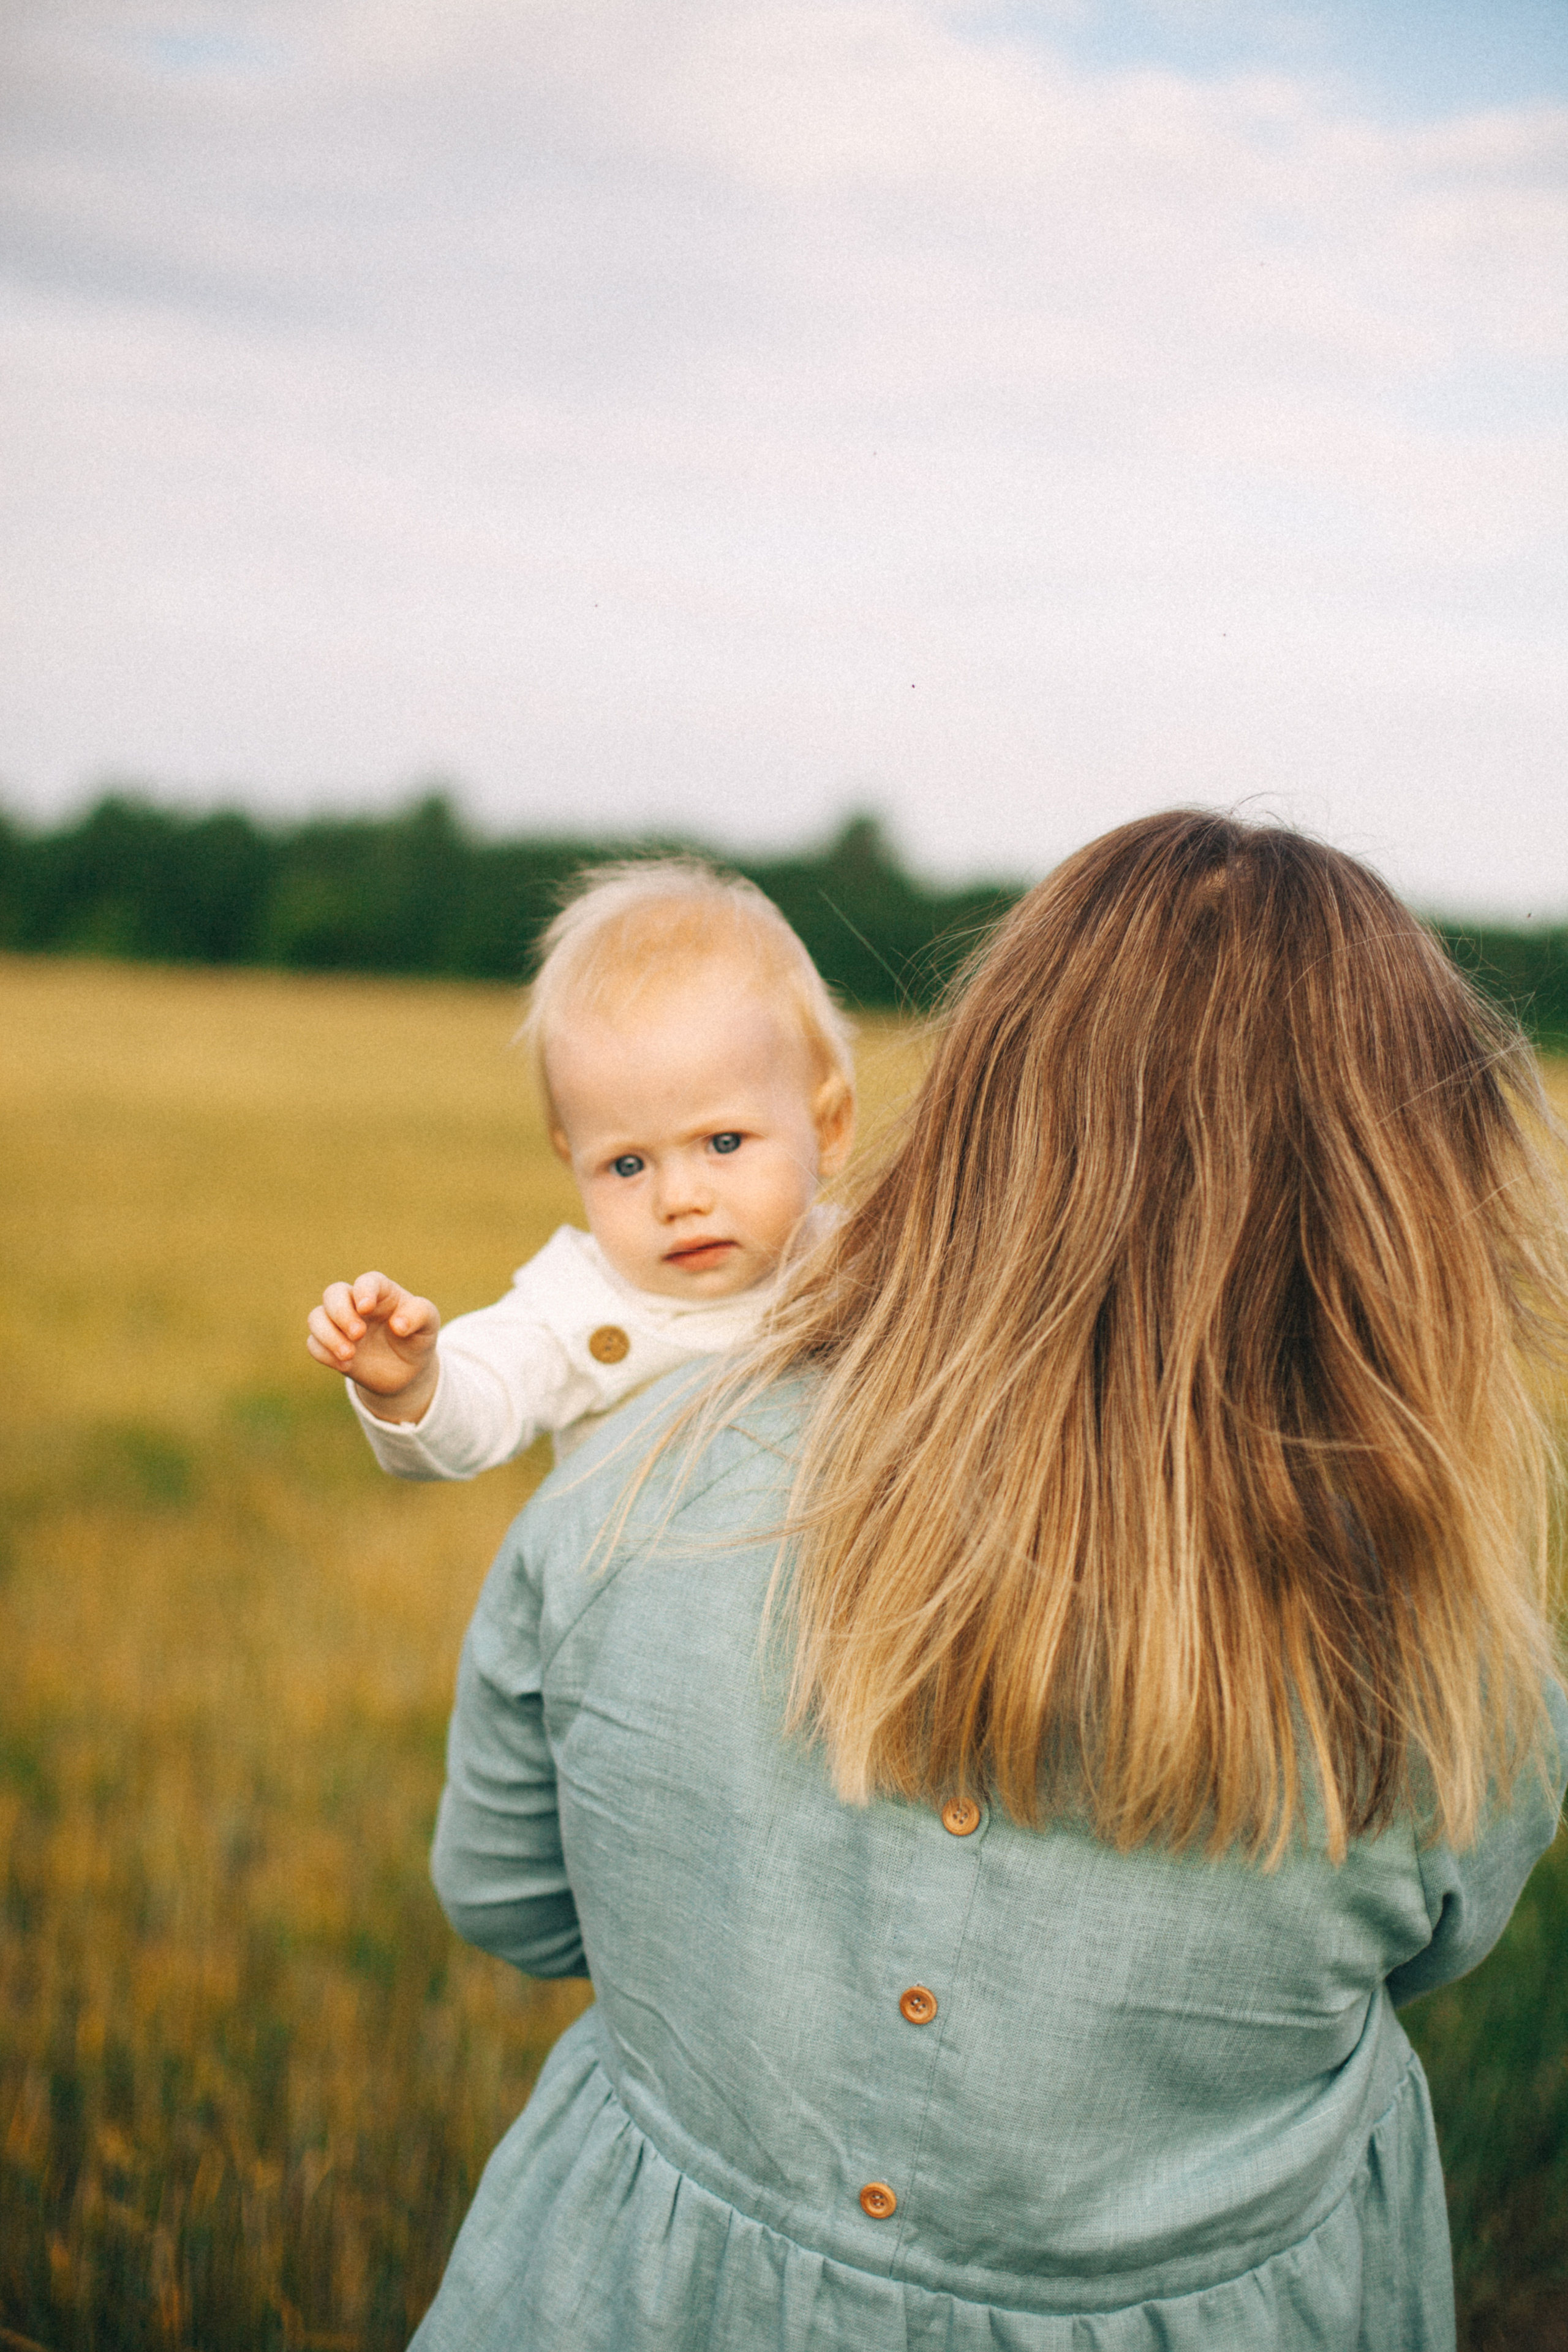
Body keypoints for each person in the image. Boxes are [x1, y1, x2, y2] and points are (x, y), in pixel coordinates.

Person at [411, 812, 1568, 2352]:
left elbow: (505, 1894)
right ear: (1405, 1195)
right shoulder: (1440, 1638)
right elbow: (1433, 1942)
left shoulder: (635, 1485)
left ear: (978, 1103)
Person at [306, 860, 856, 1471]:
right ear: (571, 1158)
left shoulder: (874, 1270)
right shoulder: (575, 1304)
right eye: (626, 1165)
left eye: (723, 1143)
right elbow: (487, 1396)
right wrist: (410, 1388)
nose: (678, 1199)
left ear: (828, 1129)